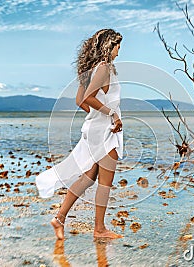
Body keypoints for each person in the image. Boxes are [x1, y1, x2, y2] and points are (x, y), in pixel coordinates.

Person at [35, 28, 123, 240]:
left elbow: (80, 100)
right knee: (105, 181)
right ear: (108, 46)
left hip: (97, 128)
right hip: (104, 131)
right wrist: (110, 114)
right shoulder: (103, 68)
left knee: (88, 177)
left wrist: (96, 115)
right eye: (118, 46)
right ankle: (99, 230)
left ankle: (59, 219)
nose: (119, 51)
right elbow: (89, 98)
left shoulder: (93, 69)